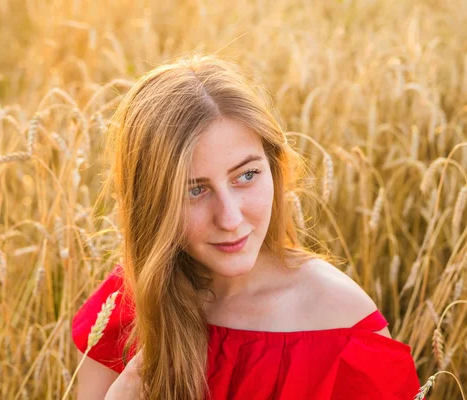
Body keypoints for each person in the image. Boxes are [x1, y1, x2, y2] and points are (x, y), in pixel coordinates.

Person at [71, 53, 421, 400]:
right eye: (194, 190)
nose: (230, 219)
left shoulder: (343, 328)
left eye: (246, 175)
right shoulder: (128, 304)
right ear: (149, 203)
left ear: (274, 168)